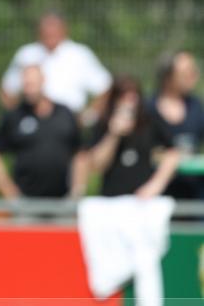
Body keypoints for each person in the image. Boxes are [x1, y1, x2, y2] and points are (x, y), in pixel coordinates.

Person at [0, 65, 85, 200]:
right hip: (26, 203)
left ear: (43, 81)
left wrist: (77, 191)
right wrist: (9, 192)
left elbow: (81, 154)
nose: (29, 90)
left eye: (32, 84)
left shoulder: (65, 114)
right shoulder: (14, 116)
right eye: (26, 85)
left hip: (62, 202)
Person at [0, 12, 111, 123]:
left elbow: (105, 87)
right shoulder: (27, 54)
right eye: (46, 30)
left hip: (69, 121)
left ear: (64, 30)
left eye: (53, 29)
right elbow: (7, 89)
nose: (50, 33)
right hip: (33, 120)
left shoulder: (79, 55)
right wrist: (18, 118)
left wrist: (88, 118)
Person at [87, 75, 181, 198]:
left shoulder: (149, 121)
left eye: (133, 97)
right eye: (123, 97)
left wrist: (156, 184)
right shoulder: (103, 123)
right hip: (112, 198)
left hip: (143, 199)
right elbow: (97, 166)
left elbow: (172, 153)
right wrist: (113, 135)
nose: (129, 103)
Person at [151, 51, 204, 199]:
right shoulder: (148, 110)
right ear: (168, 77)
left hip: (194, 190)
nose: (194, 76)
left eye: (194, 71)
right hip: (156, 194)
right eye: (187, 72)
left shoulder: (196, 106)